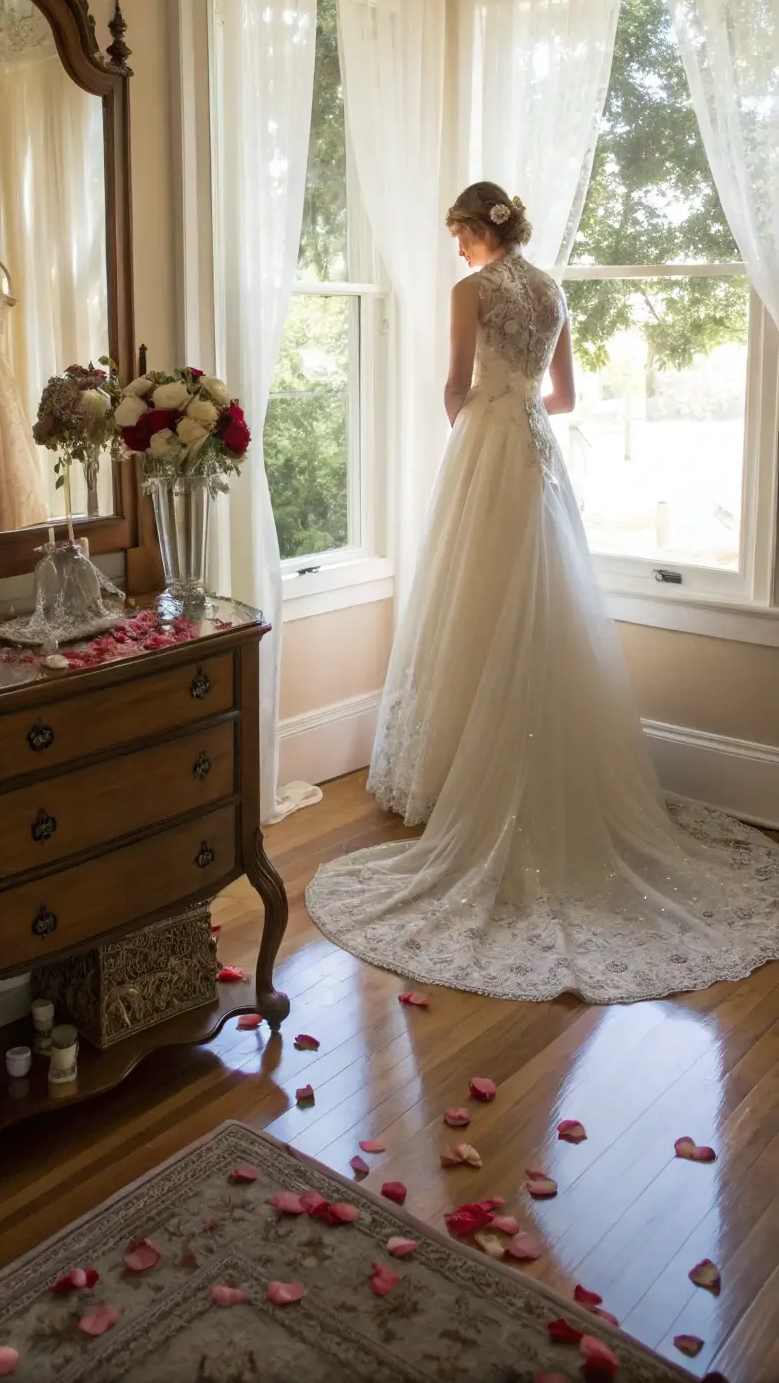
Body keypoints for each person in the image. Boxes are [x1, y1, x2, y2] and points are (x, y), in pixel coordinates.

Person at [306, 183, 779, 1004]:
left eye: (456, 231)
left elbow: (454, 384)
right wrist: (515, 403)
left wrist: (473, 427)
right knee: (543, 605)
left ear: (476, 227)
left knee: (473, 603)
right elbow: (563, 396)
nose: (454, 247)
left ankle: (461, 774)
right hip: (538, 451)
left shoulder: (472, 291)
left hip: (489, 452)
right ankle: (530, 758)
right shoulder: (551, 289)